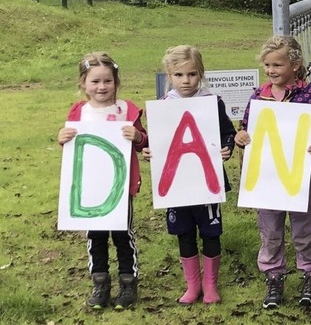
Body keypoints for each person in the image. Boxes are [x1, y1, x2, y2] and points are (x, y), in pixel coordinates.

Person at [234, 35, 311, 309]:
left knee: (303, 228)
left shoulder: (308, 95)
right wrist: (241, 136)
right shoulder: (259, 95)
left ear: (295, 64)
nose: (271, 70)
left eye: (277, 64)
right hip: (266, 179)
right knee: (270, 230)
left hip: (296, 179)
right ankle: (273, 275)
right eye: (267, 65)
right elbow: (246, 126)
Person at [142, 45, 236, 305]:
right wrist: (150, 152)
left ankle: (211, 285)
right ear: (169, 76)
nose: (186, 81)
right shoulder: (163, 107)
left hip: (206, 185)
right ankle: (193, 285)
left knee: (210, 232)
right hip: (177, 187)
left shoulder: (212, 102)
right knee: (184, 233)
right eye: (179, 75)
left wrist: (227, 148)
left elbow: (227, 132)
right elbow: (156, 141)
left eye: (192, 74)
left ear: (201, 74)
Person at [57, 52, 148, 310]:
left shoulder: (126, 110)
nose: (101, 87)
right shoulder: (79, 112)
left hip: (119, 188)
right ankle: (100, 282)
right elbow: (74, 150)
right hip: (89, 189)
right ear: (83, 84)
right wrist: (62, 138)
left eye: (107, 81)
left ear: (116, 82)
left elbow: (144, 142)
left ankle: (128, 282)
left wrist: (138, 136)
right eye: (95, 81)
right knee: (95, 235)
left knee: (122, 234)